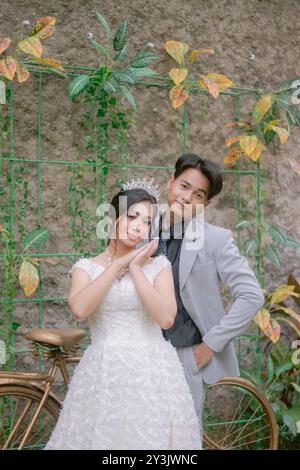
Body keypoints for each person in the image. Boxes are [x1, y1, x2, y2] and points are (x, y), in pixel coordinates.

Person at [45, 179, 202, 450]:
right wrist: (117, 264)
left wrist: (137, 270)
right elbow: (80, 309)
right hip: (105, 373)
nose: (138, 227)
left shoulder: (159, 267)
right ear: (114, 218)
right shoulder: (86, 268)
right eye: (132, 216)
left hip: (153, 373)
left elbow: (165, 319)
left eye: (146, 221)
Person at [155, 153, 265, 440]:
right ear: (170, 182)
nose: (187, 197)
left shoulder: (216, 239)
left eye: (198, 194)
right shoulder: (143, 229)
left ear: (206, 204)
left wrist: (211, 344)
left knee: (180, 440)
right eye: (184, 186)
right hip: (141, 351)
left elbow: (251, 296)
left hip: (184, 354)